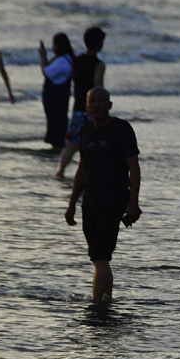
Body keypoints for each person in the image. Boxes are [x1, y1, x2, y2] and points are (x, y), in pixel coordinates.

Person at [65, 88, 141, 303]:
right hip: (89, 201)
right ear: (86, 106)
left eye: (101, 101)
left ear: (109, 105)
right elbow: (82, 168)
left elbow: (133, 167)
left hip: (113, 199)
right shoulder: (86, 130)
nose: (97, 105)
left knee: (100, 255)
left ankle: (97, 305)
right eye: (92, 102)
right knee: (98, 257)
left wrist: (133, 202)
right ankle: (105, 300)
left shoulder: (121, 129)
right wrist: (71, 204)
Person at [56, 27, 106, 178]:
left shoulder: (76, 61)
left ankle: (61, 170)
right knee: (95, 143)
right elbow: (98, 86)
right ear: (100, 44)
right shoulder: (99, 64)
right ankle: (92, 172)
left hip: (78, 107)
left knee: (72, 144)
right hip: (93, 109)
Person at [39, 33, 74, 151]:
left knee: (57, 120)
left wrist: (42, 56)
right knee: (55, 119)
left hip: (56, 96)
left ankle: (58, 145)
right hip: (57, 95)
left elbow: (46, 71)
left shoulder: (63, 61)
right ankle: (57, 143)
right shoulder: (62, 59)